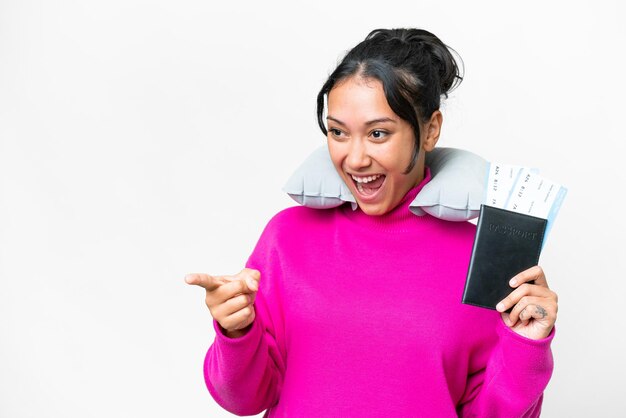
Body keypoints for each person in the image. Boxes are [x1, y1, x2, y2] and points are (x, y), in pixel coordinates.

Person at [185, 28, 558, 417]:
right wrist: (236, 332)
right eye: (338, 132)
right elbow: (242, 399)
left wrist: (526, 345)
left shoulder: (485, 259)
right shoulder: (287, 237)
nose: (356, 158)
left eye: (378, 133)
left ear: (430, 130)